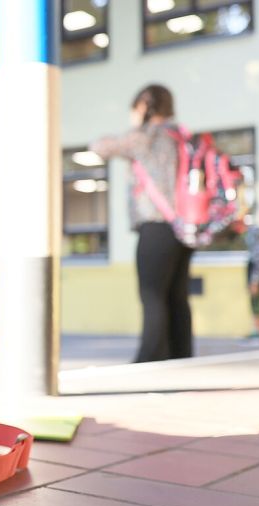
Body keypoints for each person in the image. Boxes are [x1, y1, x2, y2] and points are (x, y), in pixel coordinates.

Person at [91, 84, 193, 362]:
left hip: (157, 225)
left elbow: (100, 148)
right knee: (177, 295)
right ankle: (181, 356)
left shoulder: (144, 136)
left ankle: (148, 359)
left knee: (152, 294)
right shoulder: (180, 136)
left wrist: (137, 124)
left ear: (145, 106)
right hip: (185, 227)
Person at [245, 225, 259, 340]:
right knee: (256, 305)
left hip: (258, 284)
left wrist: (255, 282)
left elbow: (258, 268)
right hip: (257, 283)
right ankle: (256, 329)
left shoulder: (258, 250)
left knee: (258, 305)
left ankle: (257, 330)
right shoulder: (255, 250)